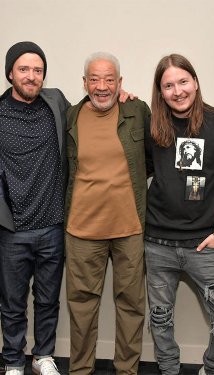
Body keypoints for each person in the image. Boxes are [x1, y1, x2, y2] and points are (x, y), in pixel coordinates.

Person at [144, 53, 214, 375]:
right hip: (157, 243)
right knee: (160, 318)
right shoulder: (152, 125)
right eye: (168, 85)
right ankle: (169, 370)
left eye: (183, 81)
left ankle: (213, 369)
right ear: (161, 92)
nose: (178, 91)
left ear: (196, 82)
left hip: (205, 244)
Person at [65, 52, 151, 375]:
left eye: (109, 79)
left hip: (130, 228)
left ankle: (127, 370)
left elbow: (151, 160)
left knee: (131, 306)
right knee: (82, 307)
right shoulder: (70, 116)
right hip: (82, 230)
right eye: (95, 79)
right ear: (84, 82)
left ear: (120, 83)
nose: (102, 87)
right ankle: (80, 370)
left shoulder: (137, 111)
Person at [0, 41, 70, 375]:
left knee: (47, 299)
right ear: (10, 72)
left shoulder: (55, 104)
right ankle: (13, 361)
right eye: (24, 69)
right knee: (12, 303)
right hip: (12, 229)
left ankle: (43, 356)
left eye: (38, 70)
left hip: (53, 224)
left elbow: (96, 108)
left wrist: (122, 94)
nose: (31, 76)